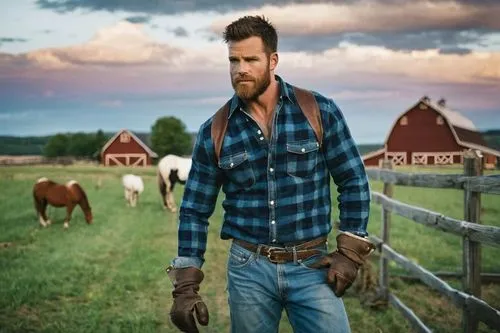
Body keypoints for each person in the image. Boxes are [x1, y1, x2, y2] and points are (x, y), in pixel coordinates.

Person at [167, 15, 375, 333]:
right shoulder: (215, 130)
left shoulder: (319, 111)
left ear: (273, 60)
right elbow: (194, 209)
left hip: (312, 264)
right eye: (233, 60)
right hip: (248, 268)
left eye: (251, 59)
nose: (241, 69)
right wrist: (185, 285)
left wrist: (349, 251)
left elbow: (353, 179)